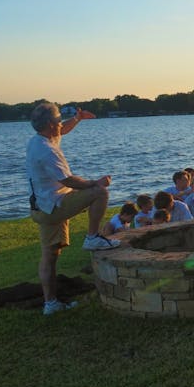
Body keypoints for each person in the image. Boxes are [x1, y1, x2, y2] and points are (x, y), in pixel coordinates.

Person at [25, 102, 117, 316]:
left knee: (50, 254)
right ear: (50, 124)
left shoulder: (38, 140)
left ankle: (51, 304)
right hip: (54, 204)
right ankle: (92, 237)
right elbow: (69, 180)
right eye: (58, 120)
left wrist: (77, 118)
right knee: (100, 193)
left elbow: (63, 130)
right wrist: (95, 182)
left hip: (41, 207)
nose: (61, 123)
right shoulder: (47, 151)